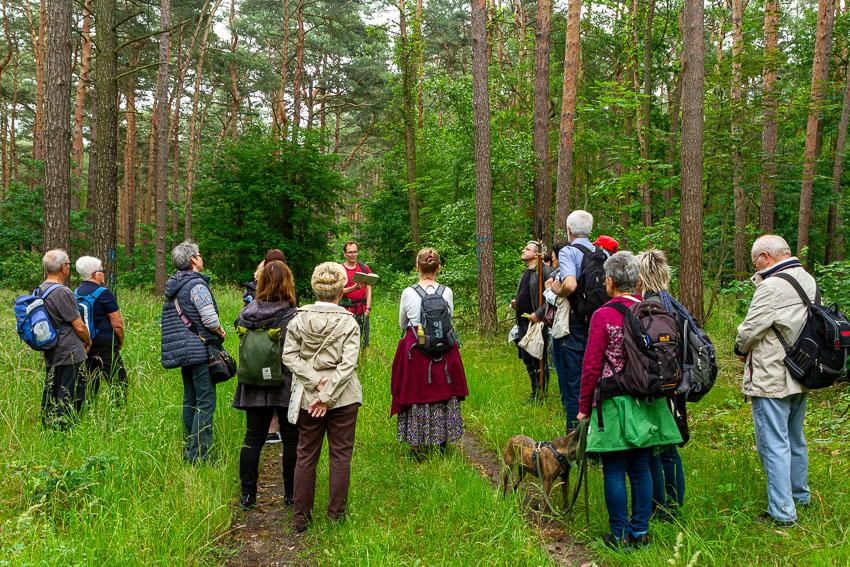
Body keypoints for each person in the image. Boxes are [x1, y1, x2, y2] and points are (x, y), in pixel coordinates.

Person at [576, 251, 682, 548]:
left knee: (614, 469)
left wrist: (584, 408)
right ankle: (641, 532)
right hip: (648, 402)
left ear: (609, 282)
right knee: (641, 468)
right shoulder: (653, 311)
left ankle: (619, 534)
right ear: (637, 282)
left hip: (613, 403)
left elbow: (591, 366)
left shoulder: (603, 315)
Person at [735, 234, 814, 527]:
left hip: (772, 375)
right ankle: (800, 497)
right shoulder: (807, 279)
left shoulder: (770, 287)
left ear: (765, 257)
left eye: (756, 260)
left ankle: (782, 513)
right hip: (802, 370)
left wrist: (739, 348)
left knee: (774, 444)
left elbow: (750, 330)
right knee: (796, 439)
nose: (755, 266)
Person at [283, 262, 362, 533]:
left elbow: (289, 356)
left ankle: (301, 518)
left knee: (305, 454)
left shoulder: (298, 319)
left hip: (308, 397)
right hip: (343, 398)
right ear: (341, 289)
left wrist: (315, 387)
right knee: (340, 456)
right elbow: (348, 365)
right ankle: (335, 517)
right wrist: (326, 392)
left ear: (315, 287)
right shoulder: (348, 321)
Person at [233, 260, 299, 510]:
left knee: (252, 438)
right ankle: (291, 495)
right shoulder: (293, 315)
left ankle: (248, 495)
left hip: (253, 381)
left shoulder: (245, 314)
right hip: (284, 381)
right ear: (288, 284)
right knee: (292, 439)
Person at [391, 248, 469, 457]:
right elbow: (449, 319)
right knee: (444, 394)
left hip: (417, 348)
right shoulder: (447, 291)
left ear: (417, 267)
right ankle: (443, 442)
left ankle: (416, 447)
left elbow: (403, 323)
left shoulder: (408, 292)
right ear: (439, 268)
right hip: (444, 349)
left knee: (416, 394)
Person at [160, 241, 227, 464]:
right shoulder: (197, 285)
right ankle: (201, 455)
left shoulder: (174, 286)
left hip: (182, 351)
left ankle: (190, 450)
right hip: (200, 350)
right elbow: (208, 318)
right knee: (205, 402)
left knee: (190, 400)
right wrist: (220, 331)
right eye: (199, 254)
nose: (201, 257)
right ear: (193, 260)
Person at [636, 249, 689, 519]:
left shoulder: (646, 307)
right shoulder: (673, 304)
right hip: (676, 384)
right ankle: (674, 504)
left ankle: (661, 508)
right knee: (669, 448)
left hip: (655, 387)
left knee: (655, 449)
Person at [552, 210, 603, 428]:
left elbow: (570, 284)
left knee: (574, 383)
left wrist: (558, 290)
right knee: (595, 381)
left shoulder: (568, 252)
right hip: (597, 322)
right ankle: (596, 443)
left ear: (569, 230)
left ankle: (573, 442)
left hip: (574, 324)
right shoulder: (602, 253)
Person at [39, 249, 92, 429]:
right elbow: (78, 325)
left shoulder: (40, 289)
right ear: (63, 268)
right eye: (68, 264)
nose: (69, 267)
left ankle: (49, 425)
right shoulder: (63, 292)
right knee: (71, 392)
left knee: (52, 388)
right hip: (69, 351)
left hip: (50, 348)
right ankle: (65, 429)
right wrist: (88, 341)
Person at [75, 256, 127, 403]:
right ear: (94, 274)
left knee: (91, 382)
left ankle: (90, 411)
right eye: (102, 270)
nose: (103, 273)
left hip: (85, 343)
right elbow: (117, 324)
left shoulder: (76, 292)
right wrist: (120, 341)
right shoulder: (104, 293)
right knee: (119, 381)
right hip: (105, 344)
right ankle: (120, 411)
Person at [512, 241, 554, 402]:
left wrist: (539, 313)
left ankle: (542, 392)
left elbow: (550, 299)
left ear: (537, 254)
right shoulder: (526, 272)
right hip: (523, 322)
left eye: (527, 249)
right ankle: (534, 391)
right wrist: (516, 302)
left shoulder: (544, 271)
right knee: (527, 358)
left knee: (538, 357)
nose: (523, 250)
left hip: (537, 323)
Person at [340, 241, 373, 347]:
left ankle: (363, 362)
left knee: (364, 341)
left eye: (355, 252)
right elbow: (338, 291)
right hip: (346, 311)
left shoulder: (364, 268)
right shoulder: (340, 270)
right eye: (350, 252)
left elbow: (369, 288)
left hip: (363, 310)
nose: (352, 254)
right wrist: (353, 288)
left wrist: (368, 308)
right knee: (346, 342)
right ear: (345, 254)